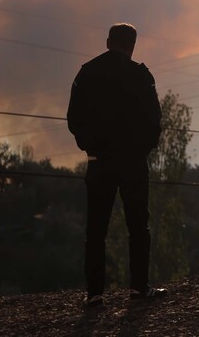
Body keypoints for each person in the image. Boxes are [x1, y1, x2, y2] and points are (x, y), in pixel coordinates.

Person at [67, 23, 165, 308]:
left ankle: (95, 294)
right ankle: (138, 289)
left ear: (108, 41)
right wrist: (142, 149)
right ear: (132, 45)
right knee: (138, 226)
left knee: (96, 230)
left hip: (99, 164)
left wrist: (90, 146)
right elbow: (154, 121)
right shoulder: (141, 76)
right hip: (133, 164)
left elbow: (74, 119)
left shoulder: (87, 73)